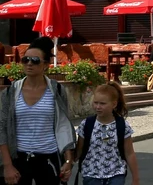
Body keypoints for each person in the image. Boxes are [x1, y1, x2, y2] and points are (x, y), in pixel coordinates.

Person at [0, 37, 76, 184]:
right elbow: (1, 128)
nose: (29, 63)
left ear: (46, 65)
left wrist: (68, 161)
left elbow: (64, 126)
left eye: (35, 60)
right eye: (25, 59)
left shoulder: (58, 91)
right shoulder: (10, 93)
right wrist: (8, 165)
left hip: (49, 158)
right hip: (18, 159)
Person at [75, 82, 140, 185]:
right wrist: (68, 165)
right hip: (91, 175)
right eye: (95, 103)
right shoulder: (87, 124)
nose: (98, 107)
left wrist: (135, 179)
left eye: (102, 104)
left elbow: (129, 153)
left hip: (116, 175)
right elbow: (79, 151)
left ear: (114, 104)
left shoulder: (122, 125)